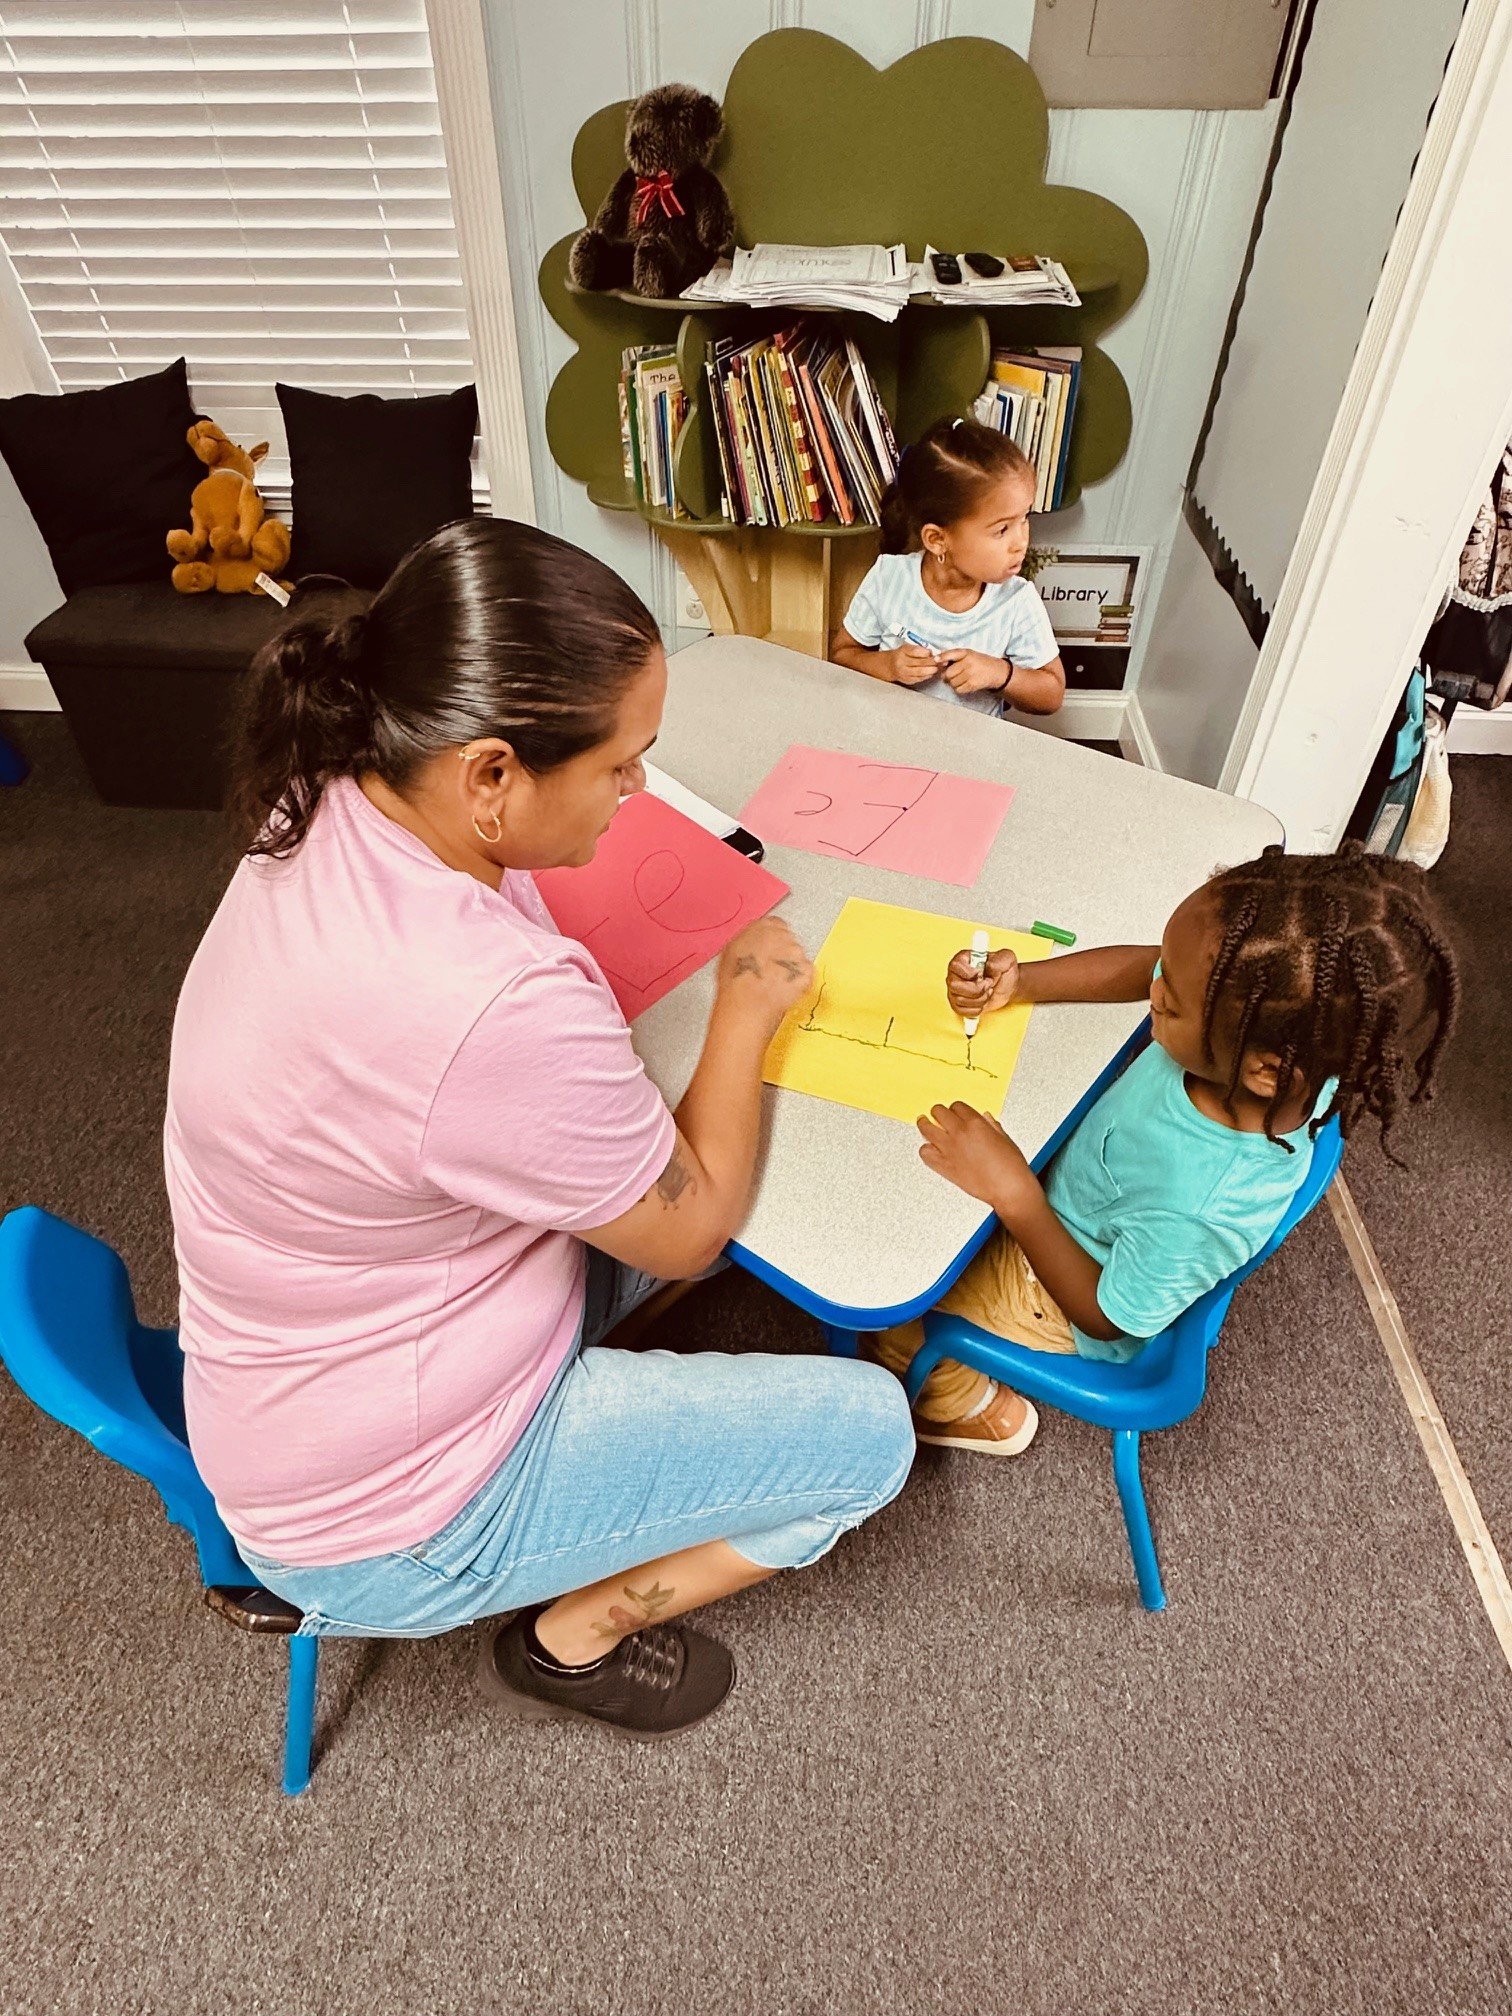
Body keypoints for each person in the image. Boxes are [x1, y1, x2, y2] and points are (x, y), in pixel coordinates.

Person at [164, 517, 914, 1743]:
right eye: (624, 768)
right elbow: (689, 1237)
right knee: (870, 1438)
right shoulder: (483, 1004)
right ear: (492, 775)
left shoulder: (335, 784)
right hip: (395, 1513)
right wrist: (747, 1009)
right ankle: (575, 1638)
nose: (636, 798)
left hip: (321, 1361)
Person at [873, 845, 1459, 1453]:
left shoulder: (1200, 1203)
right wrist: (1024, 982)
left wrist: (1015, 1194)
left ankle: (969, 1406)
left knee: (893, 1305)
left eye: (1170, 1001)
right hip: (1088, 1195)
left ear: (1263, 1067)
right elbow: (1153, 966)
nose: (1153, 990)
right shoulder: (1283, 1043)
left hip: (1058, 1292)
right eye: (1164, 978)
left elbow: (1106, 1317)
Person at [829, 417, 1065, 717]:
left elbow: (1052, 694)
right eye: (1002, 529)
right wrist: (888, 665)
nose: (1021, 542)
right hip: (889, 743)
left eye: (1025, 518)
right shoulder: (888, 578)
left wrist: (1000, 674)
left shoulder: (1017, 601)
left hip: (968, 755)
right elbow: (842, 655)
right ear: (938, 540)